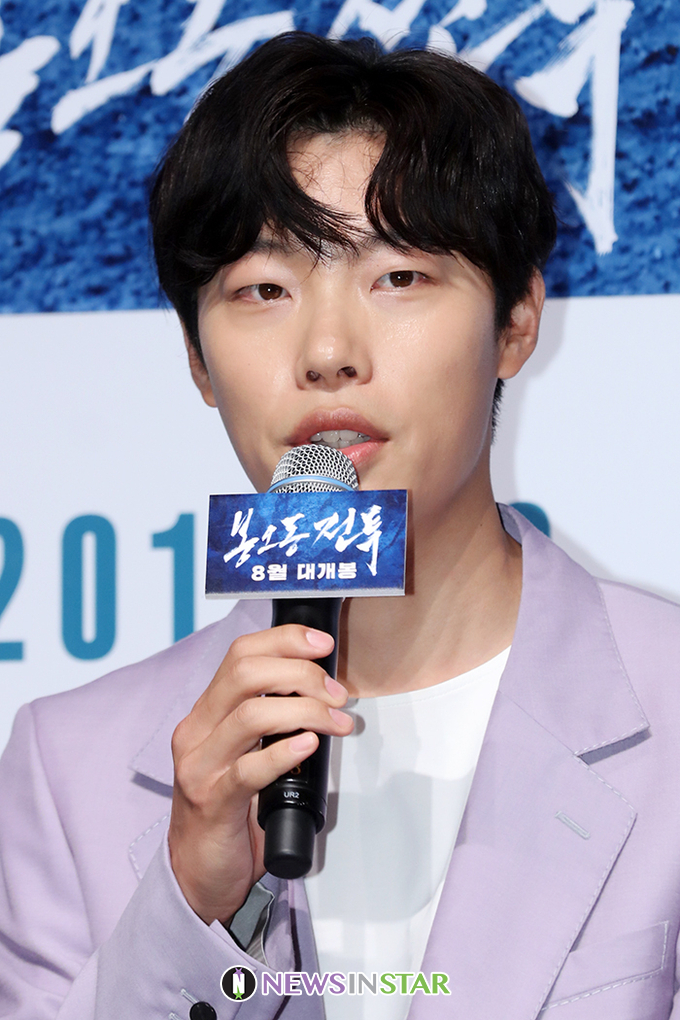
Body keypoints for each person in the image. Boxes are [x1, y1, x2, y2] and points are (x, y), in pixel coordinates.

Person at [2, 29, 680, 1020]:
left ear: (517, 321)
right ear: (196, 360)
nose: (326, 350)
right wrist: (190, 906)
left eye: (396, 277)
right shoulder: (69, 769)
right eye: (262, 290)